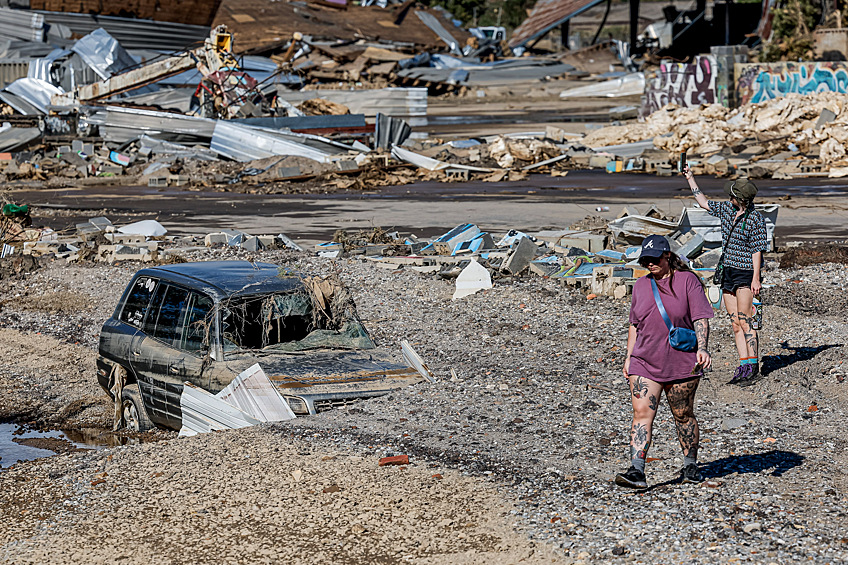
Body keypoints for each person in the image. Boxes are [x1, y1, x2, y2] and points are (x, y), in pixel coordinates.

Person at [616, 235, 713, 489]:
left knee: (682, 414)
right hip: (644, 361)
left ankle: (690, 464)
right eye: (645, 260)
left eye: (655, 259)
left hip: (682, 362)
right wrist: (629, 358)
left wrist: (702, 349)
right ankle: (637, 471)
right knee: (642, 413)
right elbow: (634, 326)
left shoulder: (688, 281)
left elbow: (701, 318)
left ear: (667, 256)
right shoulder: (640, 286)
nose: (650, 264)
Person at [683, 167, 769, 385]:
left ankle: (752, 365)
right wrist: (690, 178)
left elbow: (757, 250)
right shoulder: (727, 210)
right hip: (728, 271)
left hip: (746, 273)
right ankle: (742, 364)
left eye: (731, 195)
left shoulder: (756, 219)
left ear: (740, 199)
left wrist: (756, 278)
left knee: (746, 320)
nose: (728, 197)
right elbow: (704, 202)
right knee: (735, 323)